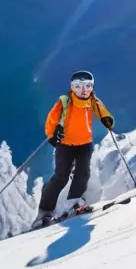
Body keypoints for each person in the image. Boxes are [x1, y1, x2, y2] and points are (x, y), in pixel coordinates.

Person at [31, 70, 115, 228]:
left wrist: (107, 119)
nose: (83, 90)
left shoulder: (92, 101)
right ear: (72, 88)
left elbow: (101, 111)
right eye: (78, 86)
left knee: (83, 173)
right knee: (61, 177)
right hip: (66, 145)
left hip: (84, 143)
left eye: (87, 86)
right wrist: (52, 134)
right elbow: (52, 120)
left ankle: (74, 203)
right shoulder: (65, 102)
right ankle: (44, 211)